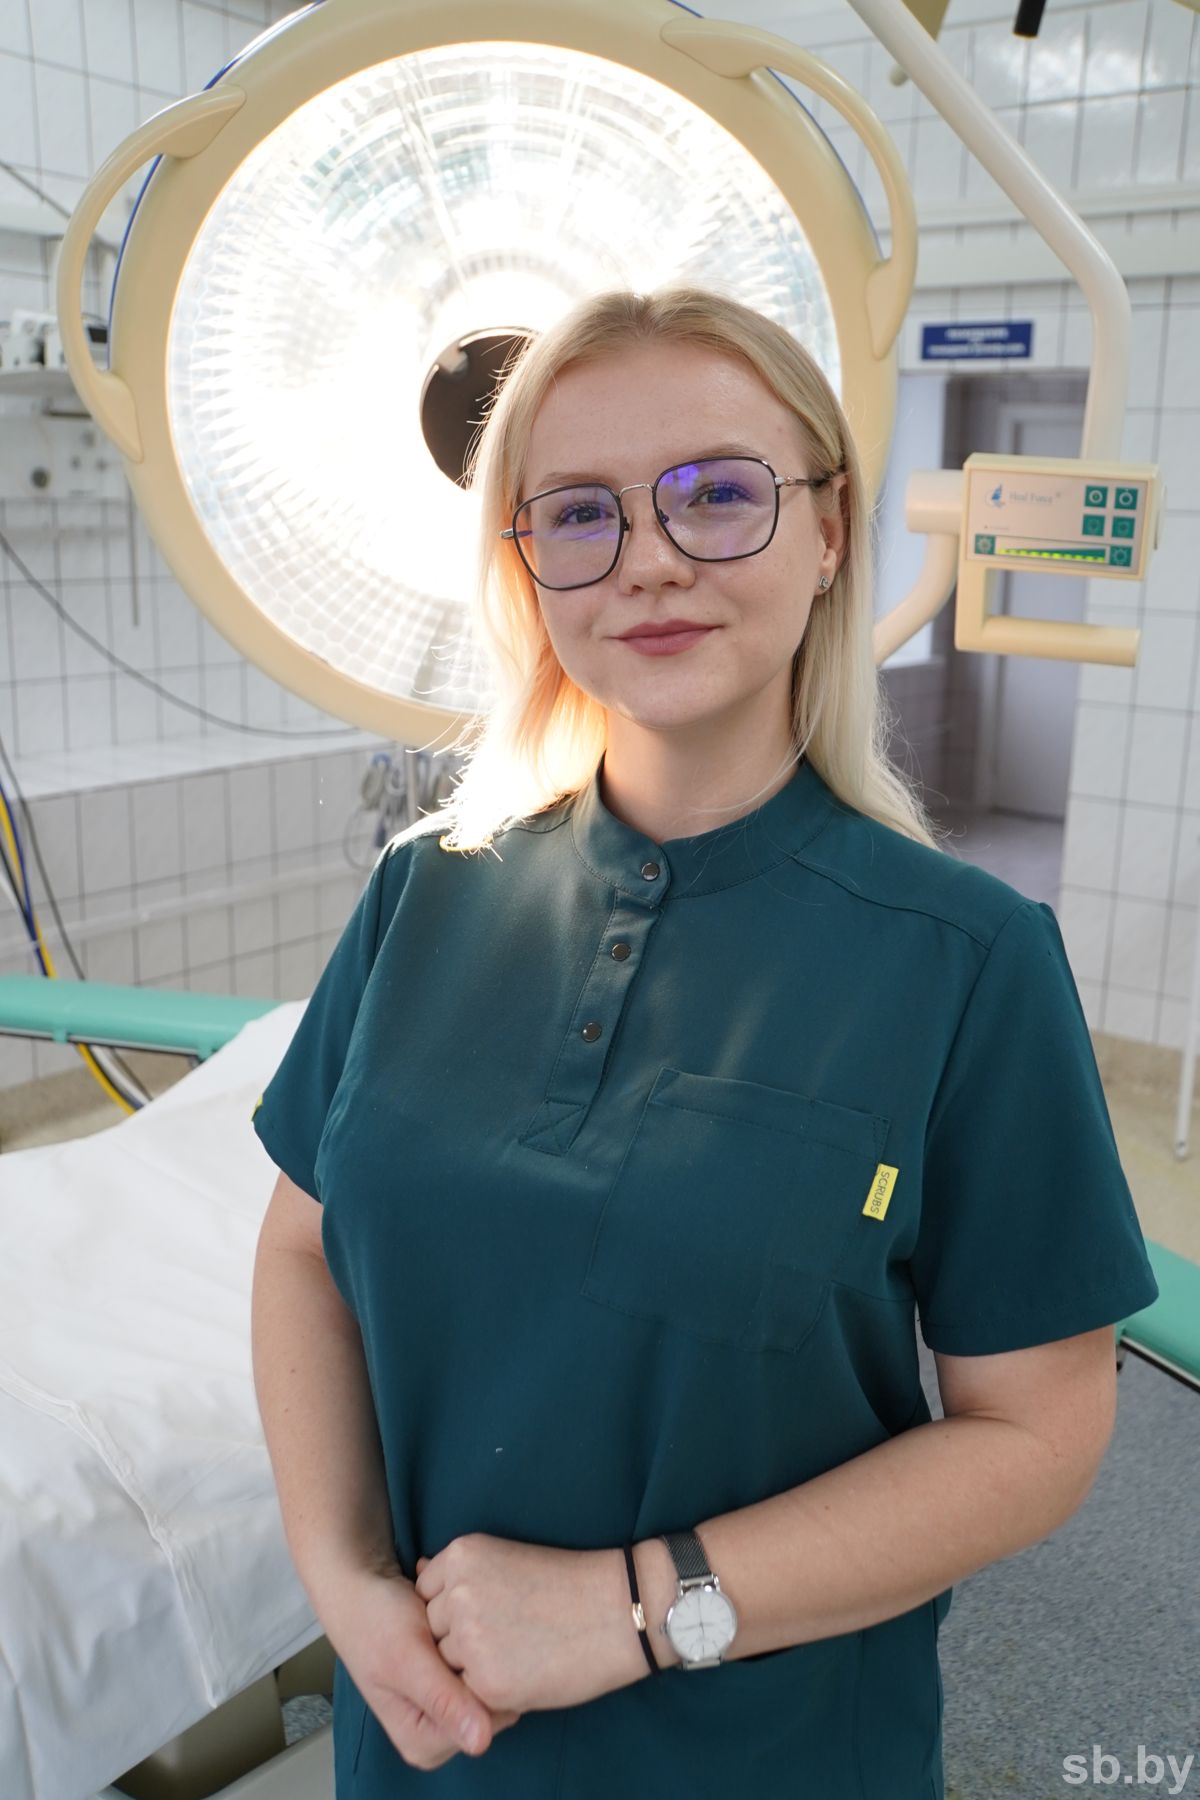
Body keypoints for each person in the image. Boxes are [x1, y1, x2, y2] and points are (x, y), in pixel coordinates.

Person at [249, 285, 1159, 1797]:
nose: (652, 559)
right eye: (581, 513)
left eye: (719, 494)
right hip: (425, 1737)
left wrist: (641, 1605)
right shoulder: (425, 894)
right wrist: (342, 1581)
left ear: (831, 531)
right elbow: (302, 1251)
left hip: (764, 1754)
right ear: (527, 569)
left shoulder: (964, 959)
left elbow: (1038, 1434)